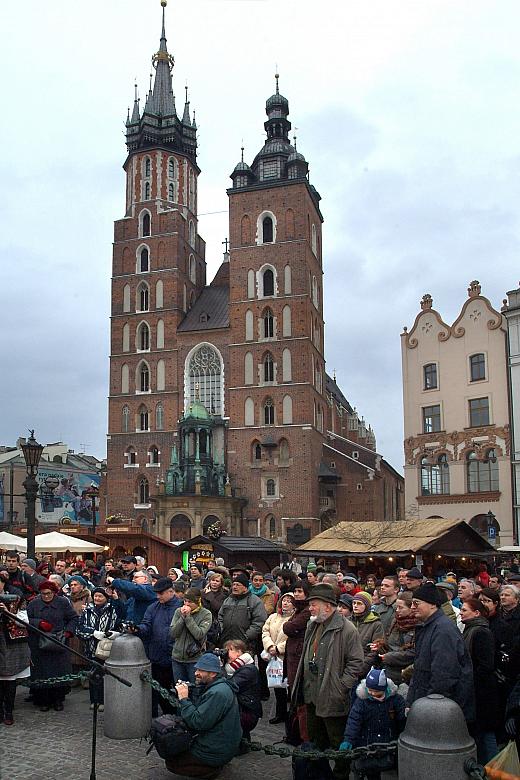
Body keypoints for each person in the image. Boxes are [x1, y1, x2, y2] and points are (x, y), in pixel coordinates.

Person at [292, 584, 364, 780]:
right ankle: (320, 774)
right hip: (312, 695)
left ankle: (341, 775)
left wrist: (341, 687)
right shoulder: (312, 625)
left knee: (338, 742)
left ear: (328, 606)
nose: (310, 609)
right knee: (316, 741)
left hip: (333, 697)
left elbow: (356, 662)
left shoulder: (347, 629)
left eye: (313, 604)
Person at [406, 583, 475, 722]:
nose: (412, 607)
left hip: (439, 709)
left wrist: (430, 706)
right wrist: (411, 701)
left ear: (433, 604)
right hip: (427, 702)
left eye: (416, 603)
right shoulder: (428, 627)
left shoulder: (443, 630)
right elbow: (420, 668)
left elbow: (443, 675)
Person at [167, 653, 242, 779]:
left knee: (171, 762)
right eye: (197, 669)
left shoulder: (217, 693)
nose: (196, 673)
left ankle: (210, 769)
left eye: (201, 670)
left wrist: (184, 699)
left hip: (215, 750)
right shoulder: (219, 686)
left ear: (213, 673)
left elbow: (198, 722)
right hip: (221, 744)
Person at [340, 667, 406, 780]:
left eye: (376, 691)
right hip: (365, 740)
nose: (372, 693)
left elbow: (401, 720)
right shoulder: (362, 702)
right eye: (370, 690)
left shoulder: (395, 700)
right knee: (365, 768)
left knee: (378, 769)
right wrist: (348, 740)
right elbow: (354, 721)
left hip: (386, 741)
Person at [27, 580, 79, 711]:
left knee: (58, 671)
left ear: (54, 593)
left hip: (59, 642)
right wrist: (38, 623)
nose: (46, 596)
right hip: (39, 643)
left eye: (49, 594)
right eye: (43, 594)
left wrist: (68, 631)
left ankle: (58, 699)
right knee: (42, 672)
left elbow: (73, 618)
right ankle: (43, 700)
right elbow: (26, 619)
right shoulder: (34, 603)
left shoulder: (62, 602)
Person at [460, 597, 499, 763]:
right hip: (475, 690)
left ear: (476, 613)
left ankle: (492, 767)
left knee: (485, 733)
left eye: (464, 610)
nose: (460, 612)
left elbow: (486, 665)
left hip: (482, 692)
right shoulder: (469, 629)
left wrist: (469, 679)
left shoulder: (481, 632)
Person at [135, 577, 181, 716]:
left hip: (176, 657)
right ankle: (166, 717)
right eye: (157, 593)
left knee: (179, 690)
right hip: (157, 657)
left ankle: (179, 717)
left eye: (161, 593)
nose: (157, 596)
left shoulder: (180, 607)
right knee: (159, 690)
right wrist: (137, 629)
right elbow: (146, 625)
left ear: (171, 591)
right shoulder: (153, 607)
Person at [76, 587, 120, 711]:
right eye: (95, 596)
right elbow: (79, 628)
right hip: (91, 648)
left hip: (107, 649)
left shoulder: (112, 610)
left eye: (100, 596)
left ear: (106, 598)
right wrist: (94, 633)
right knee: (93, 676)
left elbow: (117, 626)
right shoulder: (87, 610)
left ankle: (105, 701)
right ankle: (94, 700)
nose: (97, 598)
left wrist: (111, 634)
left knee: (106, 676)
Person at [0, 567, 30, 724]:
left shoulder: (16, 597)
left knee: (9, 679)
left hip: (10, 643)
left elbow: (25, 622)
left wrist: (8, 612)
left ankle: (9, 711)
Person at [283, 579, 311, 741]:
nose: (296, 594)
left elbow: (289, 627)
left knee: (300, 697)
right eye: (295, 591)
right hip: (293, 655)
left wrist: (289, 624)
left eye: (300, 591)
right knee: (293, 695)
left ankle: (303, 736)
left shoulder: (306, 611)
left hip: (299, 656)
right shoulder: (299, 610)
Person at [261, 592, 294, 725]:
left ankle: (291, 715)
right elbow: (265, 631)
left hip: (287, 656)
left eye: (289, 601)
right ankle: (280, 713)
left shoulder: (294, 619)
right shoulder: (273, 617)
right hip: (273, 655)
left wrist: (279, 648)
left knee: (289, 686)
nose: (285, 603)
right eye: (284, 600)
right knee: (277, 686)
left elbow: (292, 638)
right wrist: (269, 646)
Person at [222, 638, 262, 744]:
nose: (226, 653)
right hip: (240, 707)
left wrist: (220, 668)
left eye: (229, 650)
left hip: (247, 712)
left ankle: (241, 743)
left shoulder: (248, 670)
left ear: (239, 652)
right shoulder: (231, 668)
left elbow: (230, 685)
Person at [170, 587, 212, 685]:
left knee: (195, 688)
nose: (187, 604)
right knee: (180, 688)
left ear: (197, 602)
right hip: (177, 658)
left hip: (194, 659)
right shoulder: (178, 612)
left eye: (190, 602)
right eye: (185, 601)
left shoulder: (206, 614)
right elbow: (173, 633)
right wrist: (182, 618)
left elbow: (199, 634)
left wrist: (188, 618)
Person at [375, 591, 416, 686]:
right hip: (389, 671)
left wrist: (390, 657)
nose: (397, 610)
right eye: (396, 607)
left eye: (401, 607)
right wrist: (380, 646)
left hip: (406, 674)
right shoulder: (395, 622)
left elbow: (414, 652)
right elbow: (389, 642)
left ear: (411, 608)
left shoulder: (419, 626)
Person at [217, 573, 267, 650]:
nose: (234, 587)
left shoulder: (255, 601)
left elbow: (259, 621)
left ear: (245, 588)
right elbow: (220, 616)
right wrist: (222, 629)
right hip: (226, 641)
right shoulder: (228, 600)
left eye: (238, 585)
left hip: (245, 643)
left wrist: (246, 636)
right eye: (233, 584)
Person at [351, 591, 384, 677]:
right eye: (354, 603)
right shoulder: (347, 621)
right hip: (345, 667)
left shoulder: (376, 624)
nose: (355, 606)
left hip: (363, 669)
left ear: (367, 606)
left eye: (359, 603)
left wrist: (361, 668)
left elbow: (375, 650)